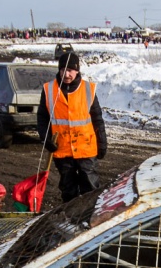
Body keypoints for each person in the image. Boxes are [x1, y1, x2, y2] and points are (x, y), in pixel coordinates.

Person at [37, 49, 108, 202]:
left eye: (70, 70)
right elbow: (42, 118)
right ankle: (71, 219)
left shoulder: (88, 89)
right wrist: (45, 138)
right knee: (68, 190)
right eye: (63, 70)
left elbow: (97, 119)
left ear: (77, 71)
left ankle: (90, 218)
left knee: (90, 187)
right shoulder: (49, 90)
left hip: (86, 148)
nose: (66, 74)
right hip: (62, 149)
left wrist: (102, 142)